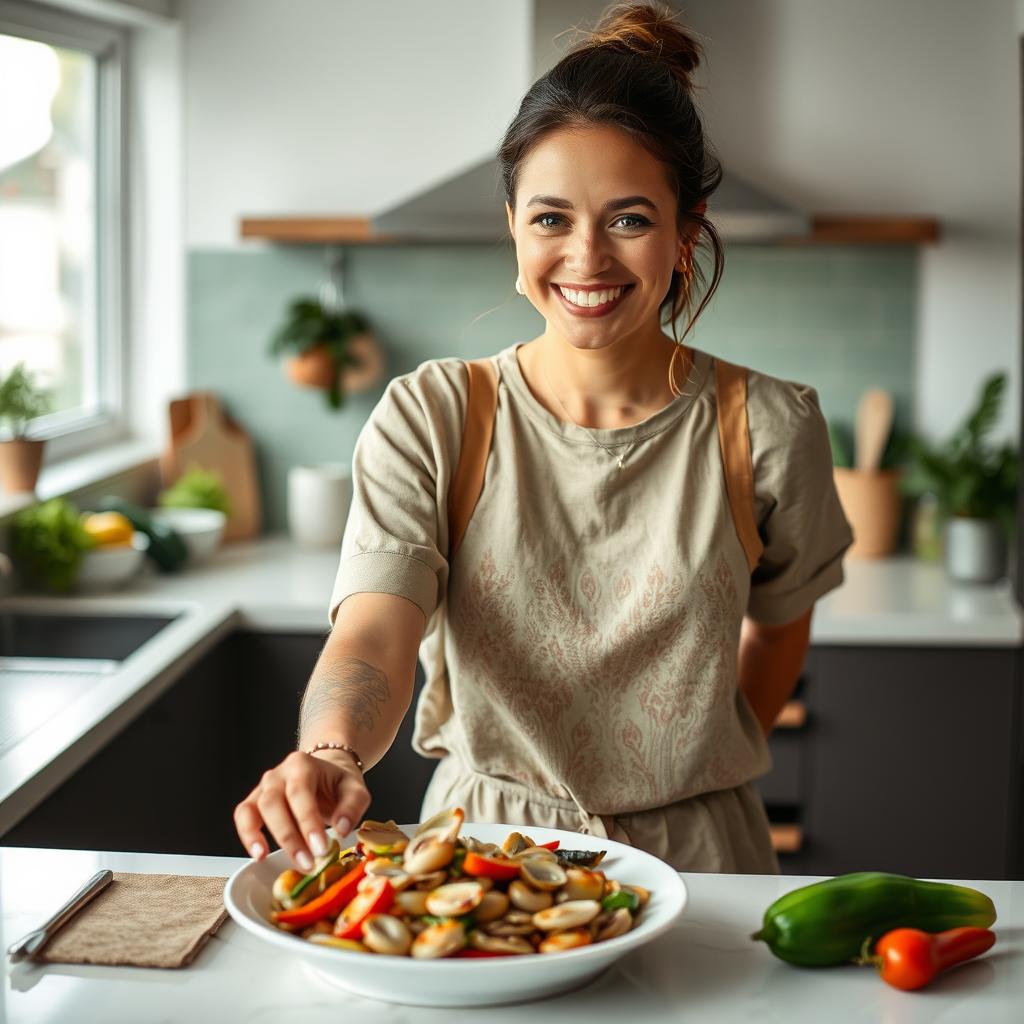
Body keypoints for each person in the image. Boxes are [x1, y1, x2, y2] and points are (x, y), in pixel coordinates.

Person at [234, 2, 853, 875]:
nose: (588, 257)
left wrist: (691, 766)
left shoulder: (773, 427)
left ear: (686, 233)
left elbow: (781, 628)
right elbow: (375, 629)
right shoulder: (434, 416)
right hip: (481, 847)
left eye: (630, 219)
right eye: (552, 218)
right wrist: (331, 751)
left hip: (702, 858)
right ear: (514, 225)